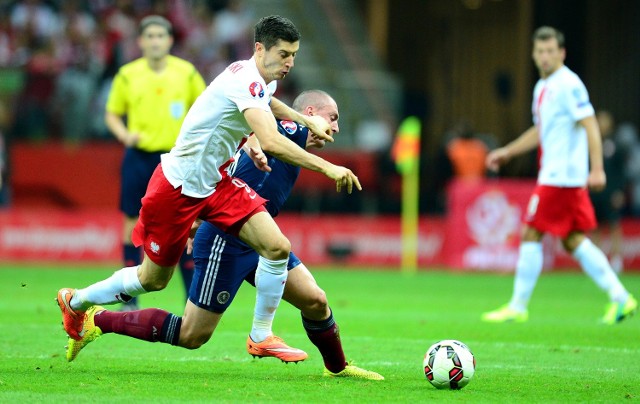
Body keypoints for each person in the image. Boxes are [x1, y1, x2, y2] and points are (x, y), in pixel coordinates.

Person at [56, 15, 361, 363]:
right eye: (284, 54)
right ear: (260, 49)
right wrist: (329, 167)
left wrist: (306, 120)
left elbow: (271, 103)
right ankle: (76, 301)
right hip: (177, 187)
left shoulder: (258, 79)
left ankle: (261, 335)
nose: (290, 62)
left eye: (294, 55)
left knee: (277, 247)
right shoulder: (245, 81)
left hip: (217, 184)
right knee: (152, 280)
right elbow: (273, 141)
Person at [66, 90, 383, 380]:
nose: (336, 128)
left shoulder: (279, 137)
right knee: (192, 335)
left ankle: (337, 369)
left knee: (315, 300)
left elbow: (233, 169)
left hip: (256, 239)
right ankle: (99, 321)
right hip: (225, 240)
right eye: (333, 118)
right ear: (310, 112)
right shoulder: (289, 130)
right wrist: (328, 165)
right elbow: (268, 133)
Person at [480, 26, 637, 325]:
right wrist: (509, 152)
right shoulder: (543, 87)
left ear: (562, 53)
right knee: (573, 240)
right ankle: (621, 298)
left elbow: (590, 124)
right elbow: (541, 131)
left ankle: (517, 306)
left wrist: (598, 168)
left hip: (560, 177)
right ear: (534, 54)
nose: (545, 57)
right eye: (540, 51)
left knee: (531, 231)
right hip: (560, 176)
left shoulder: (569, 84)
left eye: (551, 51)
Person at [104, 15, 207, 310]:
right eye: (149, 36)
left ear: (170, 41)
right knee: (130, 220)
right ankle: (129, 298)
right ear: (140, 41)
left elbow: (204, 109)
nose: (155, 41)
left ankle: (192, 297)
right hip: (139, 156)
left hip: (176, 158)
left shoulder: (186, 74)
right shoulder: (127, 74)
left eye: (160, 36)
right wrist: (124, 134)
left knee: (186, 222)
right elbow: (112, 113)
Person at [590, 110, 627, 273]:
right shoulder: (591, 142)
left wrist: (619, 191)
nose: (602, 124)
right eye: (599, 121)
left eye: (605, 121)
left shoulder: (616, 144)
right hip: (595, 193)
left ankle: (617, 259)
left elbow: (622, 171)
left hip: (610, 192)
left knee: (614, 225)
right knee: (595, 227)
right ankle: (596, 262)